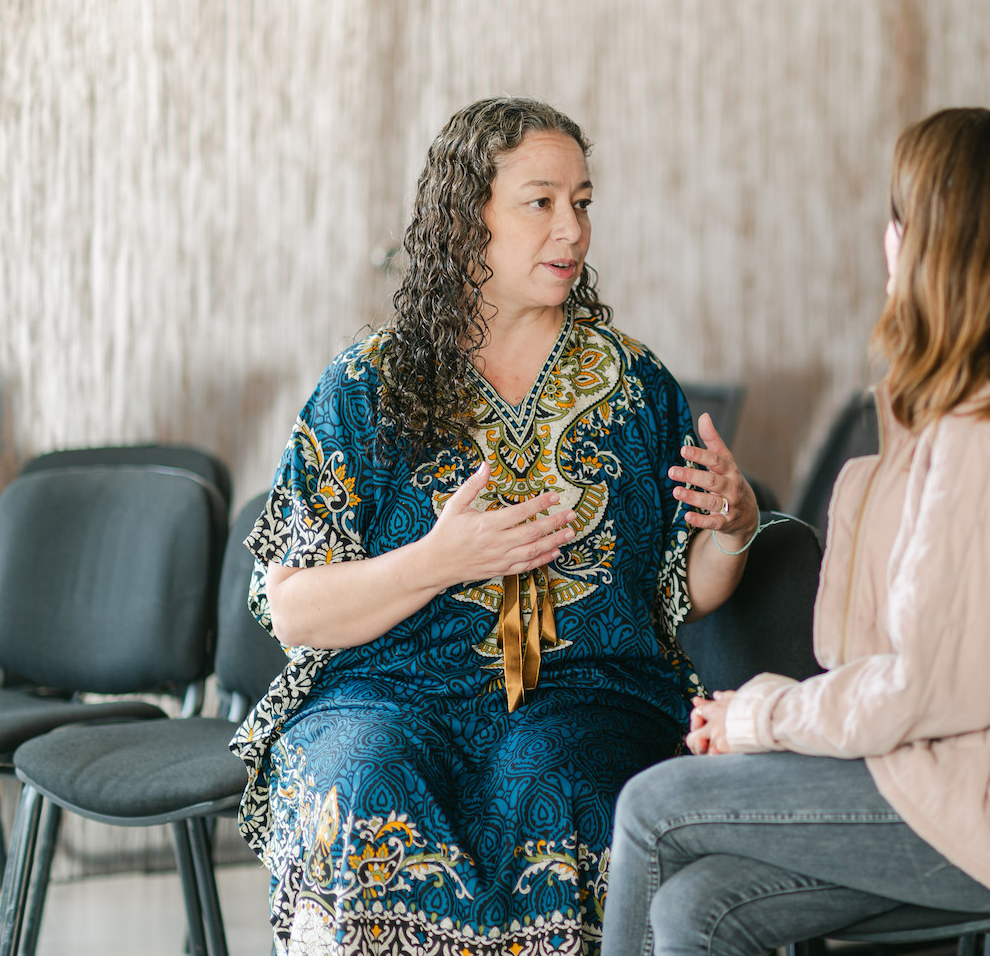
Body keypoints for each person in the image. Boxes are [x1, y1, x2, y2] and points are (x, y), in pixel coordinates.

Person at [600, 108, 990, 956]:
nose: (886, 241)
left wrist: (760, 715)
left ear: (933, 245)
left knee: (653, 809)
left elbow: (933, 689)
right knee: (697, 910)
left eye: (898, 219)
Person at [231, 97, 759, 956]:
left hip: (587, 691)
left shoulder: (633, 385)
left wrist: (730, 528)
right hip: (385, 689)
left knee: (556, 780)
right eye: (540, 202)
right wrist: (437, 562)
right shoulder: (367, 385)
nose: (572, 230)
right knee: (363, 778)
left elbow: (676, 595)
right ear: (465, 215)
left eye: (582, 202)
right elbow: (292, 610)